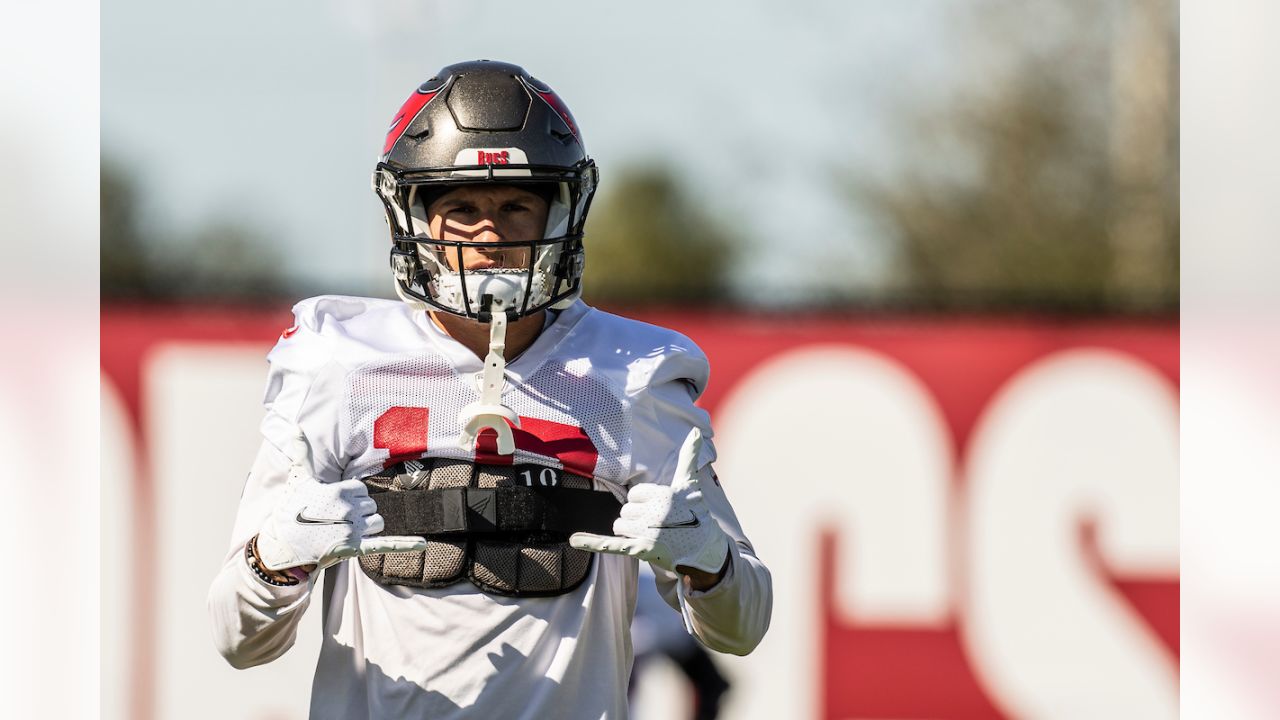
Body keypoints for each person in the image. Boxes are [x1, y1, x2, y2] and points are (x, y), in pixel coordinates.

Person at [207, 59, 772, 720]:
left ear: (560, 209)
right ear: (412, 216)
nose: (491, 234)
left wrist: (705, 561)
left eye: (514, 206)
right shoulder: (337, 365)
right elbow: (237, 640)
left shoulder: (633, 375)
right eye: (463, 207)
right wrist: (276, 559)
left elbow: (743, 627)